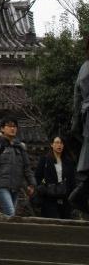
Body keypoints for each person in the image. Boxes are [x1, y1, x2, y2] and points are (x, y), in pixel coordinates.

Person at [0, 115, 36, 217]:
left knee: (10, 216)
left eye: (14, 126)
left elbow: (27, 168)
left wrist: (31, 184)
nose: (12, 128)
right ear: (2, 128)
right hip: (1, 184)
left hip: (15, 186)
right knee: (11, 212)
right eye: (9, 126)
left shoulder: (20, 147)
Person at [35, 136, 76, 219]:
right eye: (57, 142)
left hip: (64, 197)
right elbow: (38, 176)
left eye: (61, 143)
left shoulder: (68, 161)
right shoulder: (45, 159)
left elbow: (72, 179)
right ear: (52, 145)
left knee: (66, 223)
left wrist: (71, 194)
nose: (59, 145)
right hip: (49, 197)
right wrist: (42, 188)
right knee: (51, 223)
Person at [69, 54, 89, 213]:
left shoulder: (84, 67)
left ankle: (81, 191)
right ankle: (81, 192)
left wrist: (76, 123)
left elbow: (77, 98)